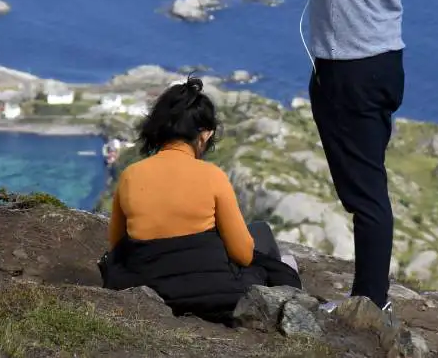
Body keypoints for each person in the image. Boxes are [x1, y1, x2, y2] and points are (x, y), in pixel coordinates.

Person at [249, 0, 418, 311]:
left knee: (365, 196)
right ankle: (371, 297)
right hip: (385, 60)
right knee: (367, 188)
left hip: (349, 71)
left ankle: (370, 305)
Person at [99, 77, 300, 322]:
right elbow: (244, 254)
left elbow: (117, 246)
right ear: (204, 134)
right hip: (215, 294)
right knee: (261, 234)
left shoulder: (130, 175)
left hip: (150, 288)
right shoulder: (212, 176)